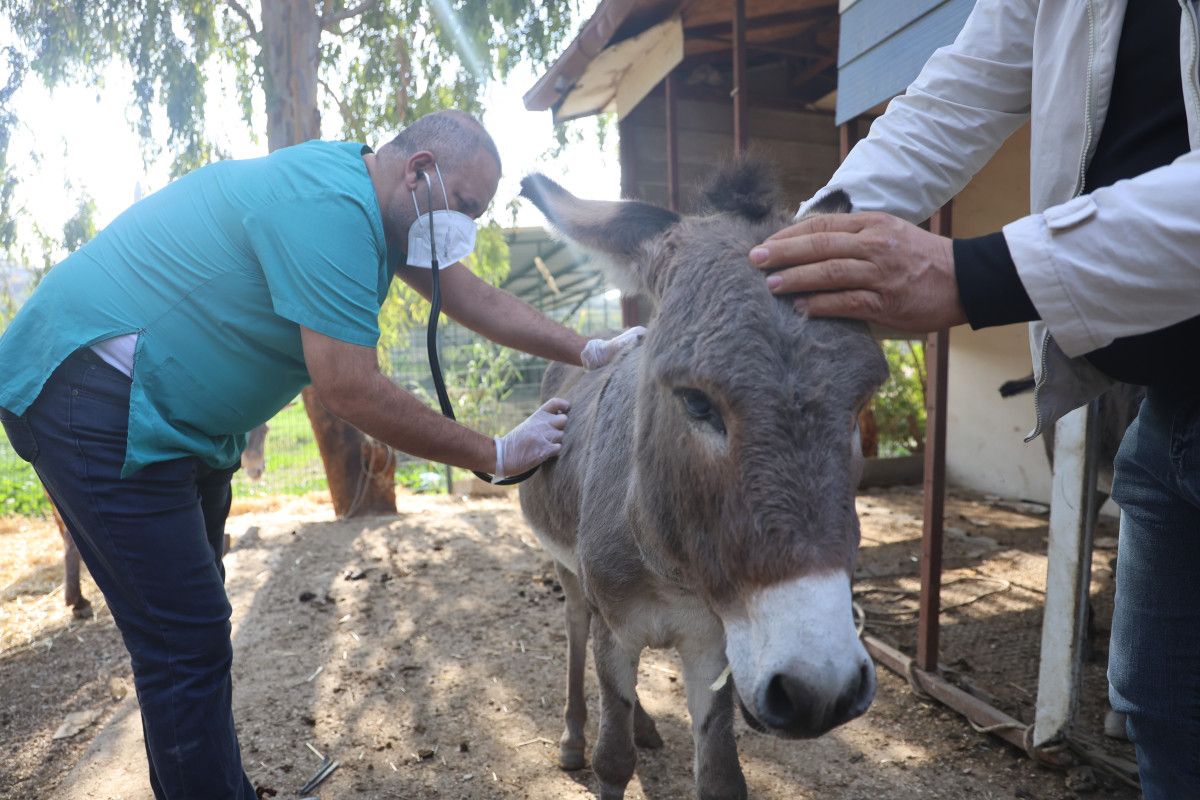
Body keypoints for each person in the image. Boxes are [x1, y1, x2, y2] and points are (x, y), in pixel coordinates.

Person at [0, 109, 640, 798]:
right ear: (420, 171)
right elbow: (348, 387)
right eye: (467, 205)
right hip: (93, 393)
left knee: (189, 633)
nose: (469, 227)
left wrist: (586, 349)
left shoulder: (377, 208)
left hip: (172, 421)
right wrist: (496, 451)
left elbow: (472, 296)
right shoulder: (332, 209)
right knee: (185, 642)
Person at [747, 2, 1200, 797]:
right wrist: (790, 256)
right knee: (1164, 716)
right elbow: (954, 99)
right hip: (1167, 418)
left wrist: (970, 274)